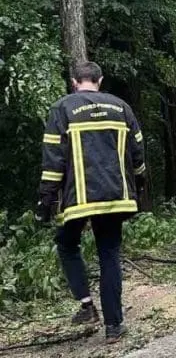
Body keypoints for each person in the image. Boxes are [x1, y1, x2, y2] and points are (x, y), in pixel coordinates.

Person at [36, 61, 146, 343]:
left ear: (74, 82)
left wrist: (46, 199)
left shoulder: (62, 109)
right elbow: (137, 153)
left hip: (79, 198)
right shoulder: (121, 107)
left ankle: (86, 305)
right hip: (115, 196)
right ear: (100, 80)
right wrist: (139, 184)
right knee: (109, 254)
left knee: (66, 243)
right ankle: (113, 327)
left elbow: (53, 159)